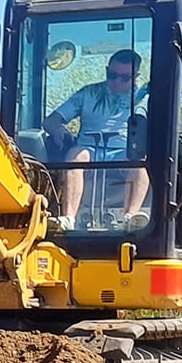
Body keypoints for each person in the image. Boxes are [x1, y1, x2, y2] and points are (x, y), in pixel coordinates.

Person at [43, 49, 150, 232]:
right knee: (76, 156)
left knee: (139, 162)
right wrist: (59, 130)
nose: (116, 81)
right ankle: (69, 218)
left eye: (124, 78)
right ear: (107, 70)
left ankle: (131, 216)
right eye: (112, 75)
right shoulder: (88, 93)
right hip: (89, 148)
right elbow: (51, 121)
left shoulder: (143, 97)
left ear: (136, 77)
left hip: (122, 151)